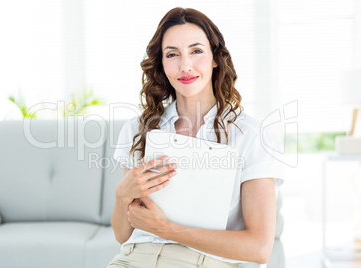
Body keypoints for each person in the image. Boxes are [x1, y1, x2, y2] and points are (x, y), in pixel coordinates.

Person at [109, 7, 283, 268]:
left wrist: (167, 230)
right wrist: (122, 195)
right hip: (133, 259)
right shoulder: (138, 129)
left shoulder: (250, 135)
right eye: (172, 54)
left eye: (196, 51)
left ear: (215, 58)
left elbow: (259, 248)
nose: (185, 65)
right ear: (161, 63)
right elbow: (122, 235)